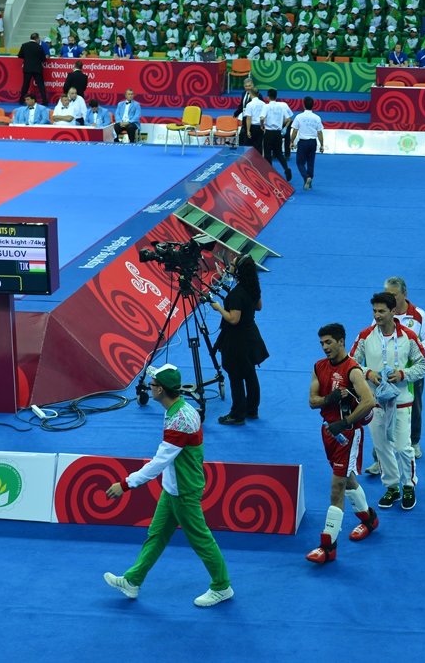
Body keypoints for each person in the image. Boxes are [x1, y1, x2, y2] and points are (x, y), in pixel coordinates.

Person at [103, 363, 233, 608]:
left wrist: (125, 484)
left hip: (184, 491)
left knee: (201, 540)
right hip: (173, 488)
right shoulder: (178, 408)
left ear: (160, 389)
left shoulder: (179, 420)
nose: (149, 387)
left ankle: (222, 586)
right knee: (156, 535)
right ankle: (132, 581)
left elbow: (159, 462)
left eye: (152, 384)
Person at [305, 323, 379, 564]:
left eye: (329, 342)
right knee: (347, 480)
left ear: (341, 342)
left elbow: (369, 402)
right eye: (322, 343)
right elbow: (313, 401)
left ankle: (328, 547)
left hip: (348, 434)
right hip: (328, 431)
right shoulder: (318, 366)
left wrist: (345, 423)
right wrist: (331, 398)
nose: (325, 347)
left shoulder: (353, 370)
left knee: (337, 487)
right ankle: (369, 520)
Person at [350, 292, 425, 511]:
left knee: (403, 448)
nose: (377, 315)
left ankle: (409, 486)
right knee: (382, 447)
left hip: (401, 401)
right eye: (374, 311)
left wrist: (403, 374)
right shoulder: (365, 335)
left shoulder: (408, 336)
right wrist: (368, 373)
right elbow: (351, 363)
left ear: (393, 312)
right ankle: (392, 487)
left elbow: (423, 365)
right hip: (373, 402)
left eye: (382, 311)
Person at [210, 254, 269, 425]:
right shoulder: (253, 286)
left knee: (235, 377)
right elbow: (258, 307)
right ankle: (252, 410)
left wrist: (219, 308)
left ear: (239, 270)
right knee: (250, 373)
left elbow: (233, 319)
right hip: (252, 336)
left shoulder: (237, 293)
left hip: (236, 341)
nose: (230, 265)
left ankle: (237, 415)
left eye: (233, 264)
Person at [385, 277, 425, 460]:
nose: (389, 299)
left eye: (393, 295)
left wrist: (411, 349)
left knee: (414, 406)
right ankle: (383, 448)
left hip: (413, 371)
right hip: (389, 371)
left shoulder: (419, 316)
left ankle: (414, 441)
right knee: (384, 407)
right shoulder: (383, 313)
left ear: (404, 294)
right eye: (387, 294)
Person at [290, 95, 325, 190]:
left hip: (303, 142)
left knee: (300, 162)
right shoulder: (317, 118)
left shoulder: (299, 117)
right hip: (313, 142)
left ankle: (306, 177)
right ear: (313, 105)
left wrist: (291, 141)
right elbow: (320, 132)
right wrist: (322, 145)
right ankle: (309, 183)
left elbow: (295, 131)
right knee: (310, 163)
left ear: (304, 105)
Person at [260, 88, 293, 182]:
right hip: (278, 133)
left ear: (268, 97)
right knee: (279, 154)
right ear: (276, 96)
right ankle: (286, 168)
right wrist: (284, 127)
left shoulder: (266, 106)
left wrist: (262, 125)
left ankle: (270, 174)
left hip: (269, 133)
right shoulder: (281, 106)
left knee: (267, 154)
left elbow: (262, 118)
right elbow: (288, 119)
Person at [18, 33, 48, 105]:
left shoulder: (24, 46)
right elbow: (43, 58)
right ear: (37, 39)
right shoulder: (39, 47)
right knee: (41, 85)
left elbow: (20, 55)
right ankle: (45, 101)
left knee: (25, 84)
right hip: (37, 68)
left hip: (27, 68)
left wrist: (27, 58)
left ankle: (21, 100)